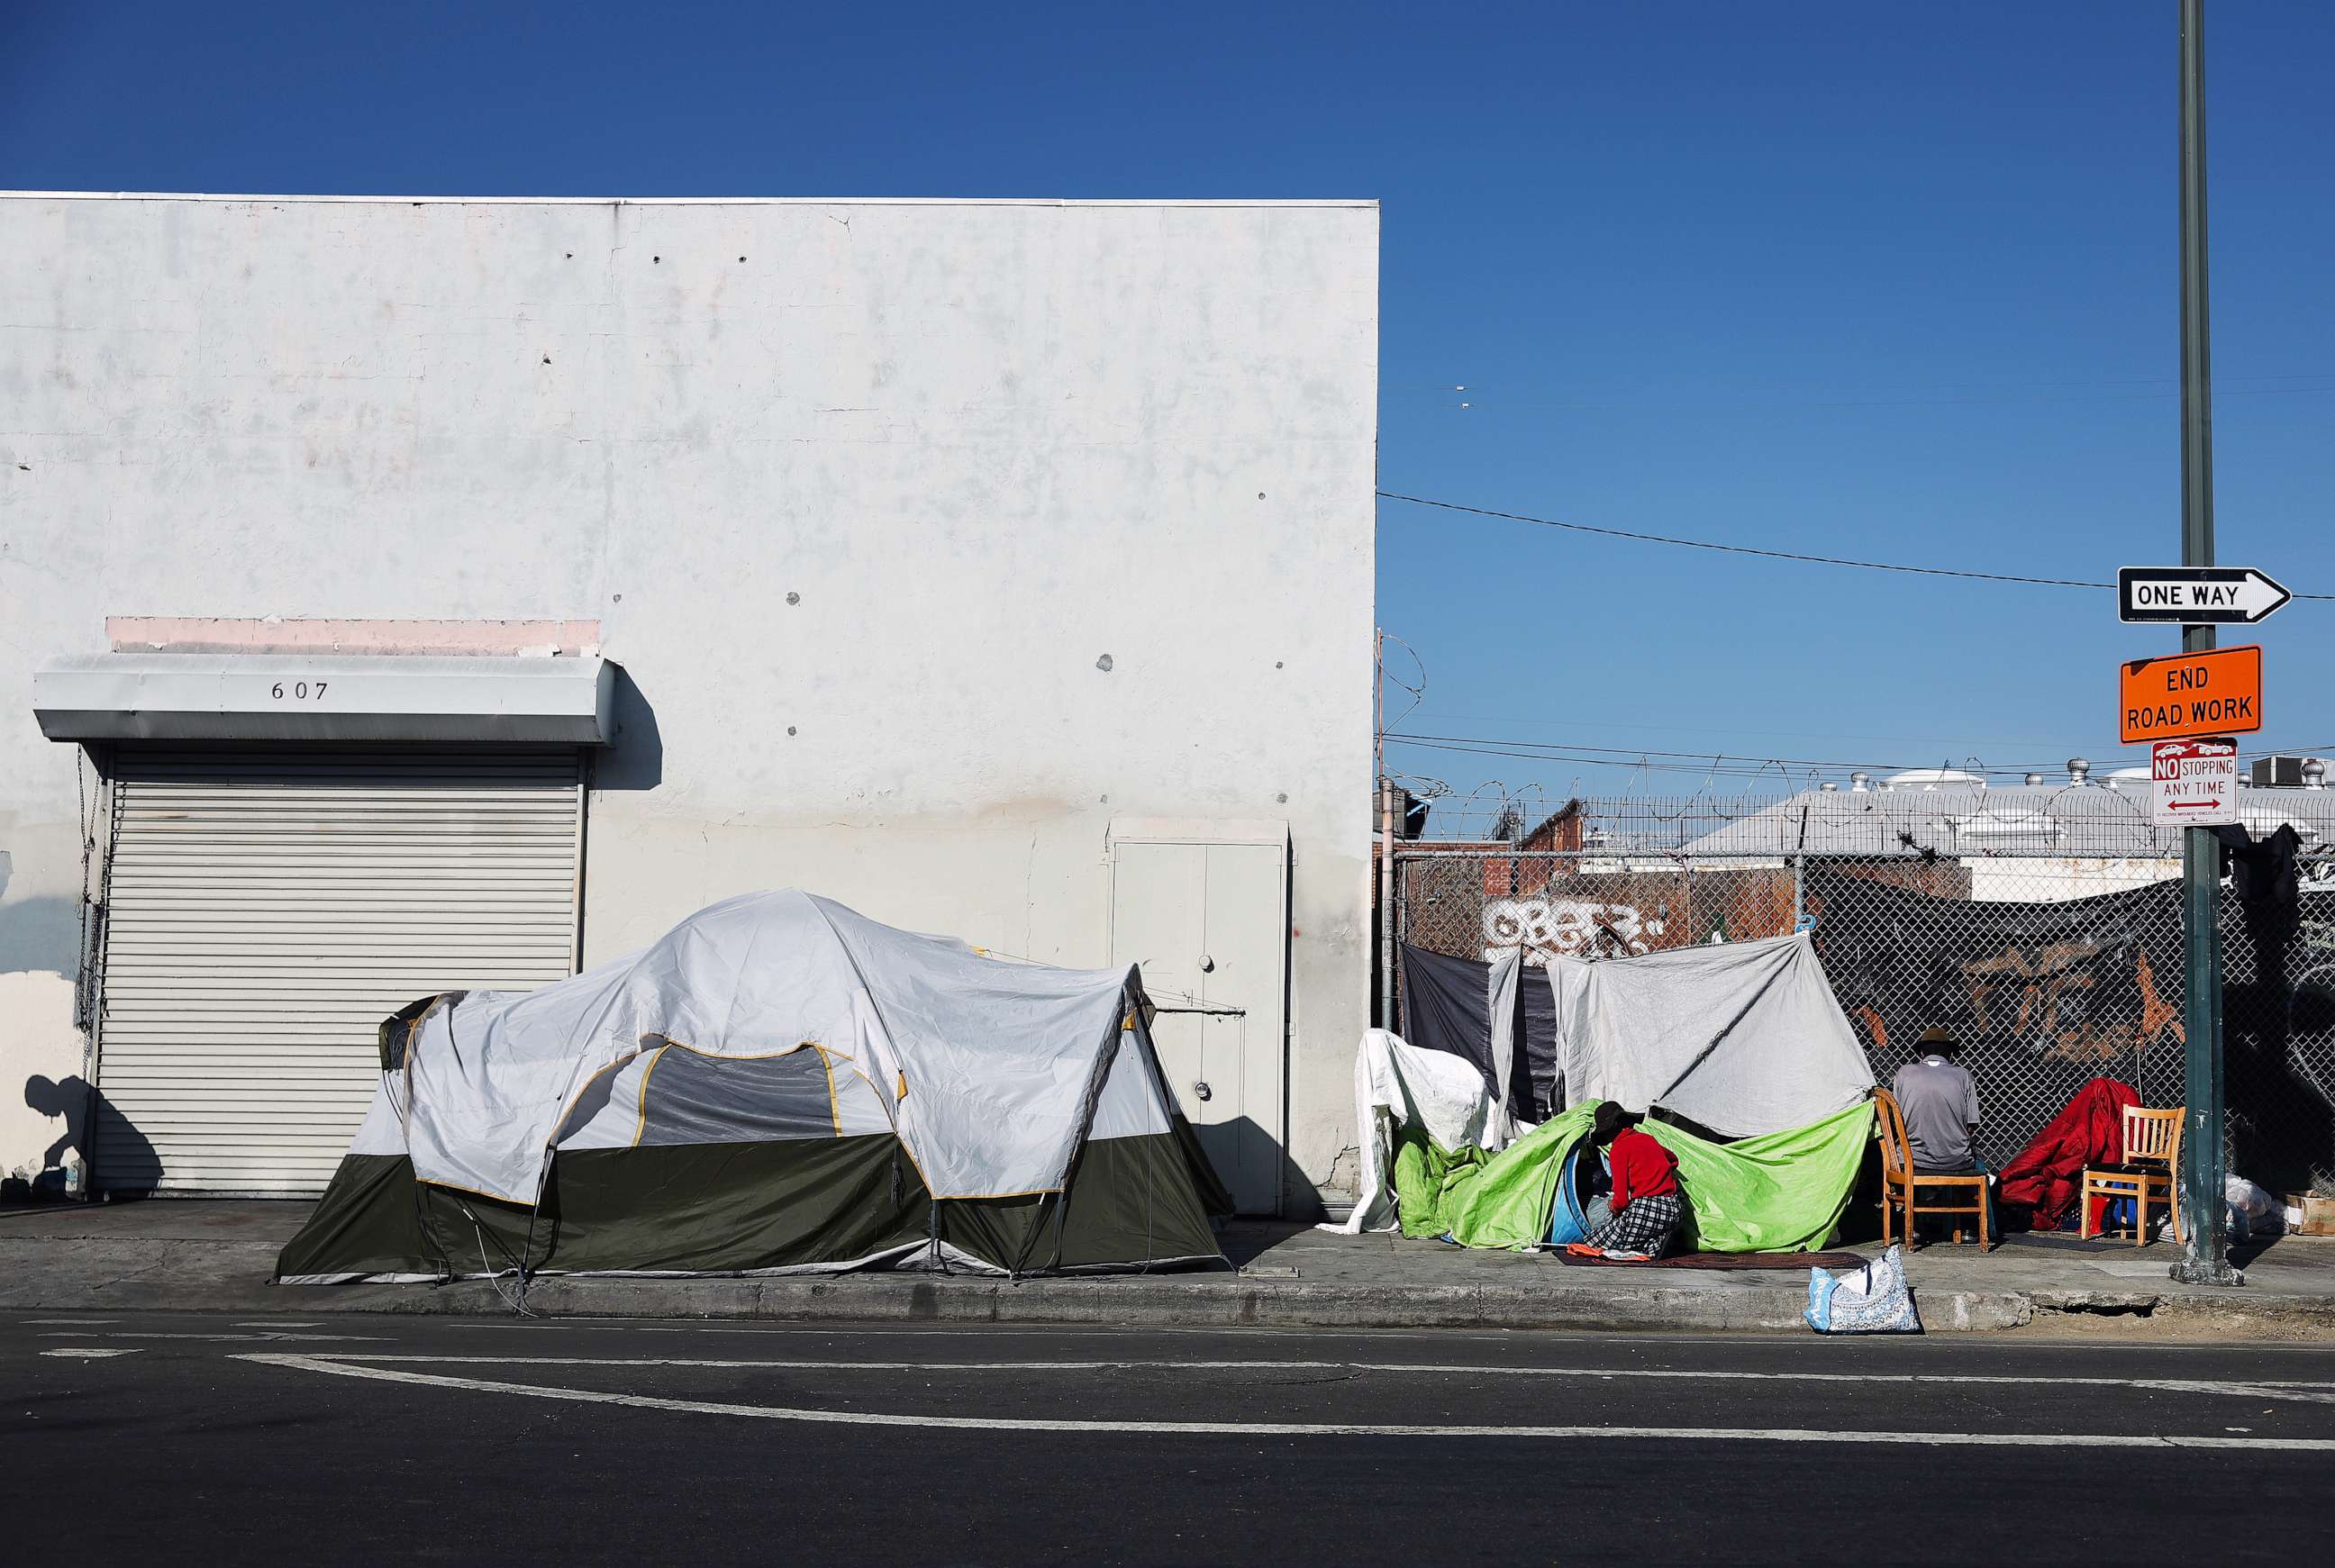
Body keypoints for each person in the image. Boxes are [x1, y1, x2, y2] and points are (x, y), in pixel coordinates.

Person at [1891, 1025, 1995, 1234]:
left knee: (1903, 1153)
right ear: (1949, 1053)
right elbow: (1971, 1126)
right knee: (1977, 1162)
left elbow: (1896, 1121)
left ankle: (1913, 1222)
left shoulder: (1904, 1074)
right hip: (1955, 1159)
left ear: (1922, 1052)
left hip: (1914, 1160)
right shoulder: (1964, 1075)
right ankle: (1967, 1227)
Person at [1577, 1100, 1683, 1260]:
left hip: (1646, 1210)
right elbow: (1673, 1160)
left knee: (1591, 1243)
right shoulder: (1647, 1139)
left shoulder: (1619, 1149)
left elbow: (1621, 1201)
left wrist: (1612, 1210)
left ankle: (1644, 1242)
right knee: (1642, 1240)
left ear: (1609, 1131)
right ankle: (1654, 1243)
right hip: (1674, 1209)